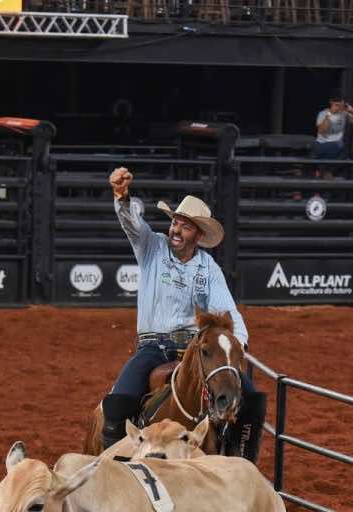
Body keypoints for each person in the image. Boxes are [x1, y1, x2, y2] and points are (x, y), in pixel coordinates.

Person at [101, 166, 265, 462]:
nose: (175, 230)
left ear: (198, 235)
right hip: (153, 346)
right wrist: (122, 196)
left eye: (185, 226)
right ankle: (110, 468)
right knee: (118, 401)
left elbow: (228, 311)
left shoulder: (208, 269)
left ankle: (242, 465)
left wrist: (237, 346)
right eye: (175, 223)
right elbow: (131, 224)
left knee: (251, 399)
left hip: (192, 349)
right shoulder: (152, 247)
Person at [312, 94, 353, 159]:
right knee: (337, 146)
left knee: (340, 147)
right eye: (336, 105)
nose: (338, 107)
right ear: (331, 102)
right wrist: (330, 113)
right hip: (323, 144)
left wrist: (352, 112)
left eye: (340, 105)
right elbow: (321, 131)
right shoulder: (323, 113)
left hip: (337, 145)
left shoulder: (344, 114)